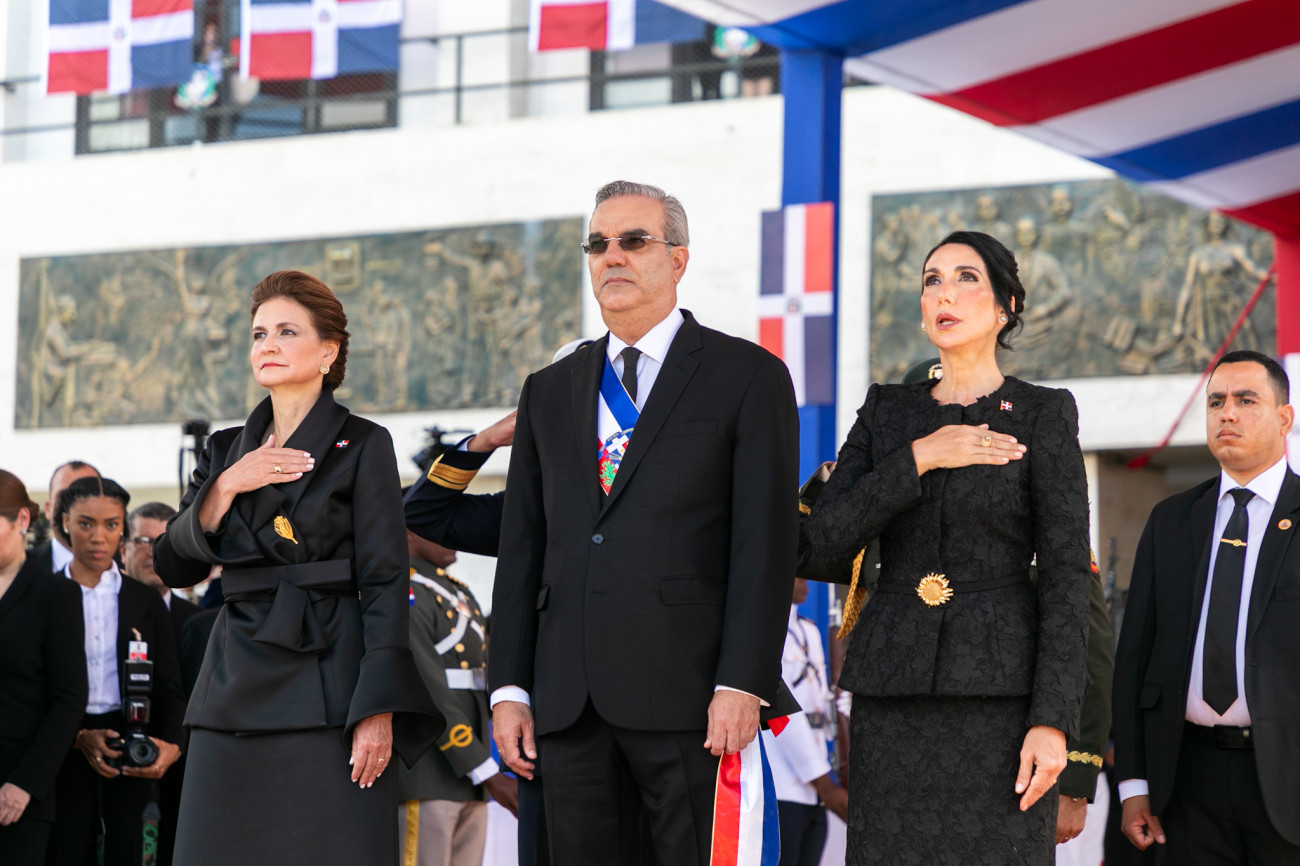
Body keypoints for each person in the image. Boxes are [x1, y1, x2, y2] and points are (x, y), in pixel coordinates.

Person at [490, 180, 798, 865]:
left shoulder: (747, 376)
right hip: (568, 702)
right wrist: (508, 688)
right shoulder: (549, 389)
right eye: (598, 244)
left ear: (678, 259)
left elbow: (765, 545)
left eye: (634, 241)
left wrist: (742, 681)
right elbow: (523, 549)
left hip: (693, 697)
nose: (612, 256)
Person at [806, 231, 1090, 864]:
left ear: (1005, 307)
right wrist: (919, 457)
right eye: (932, 280)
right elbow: (826, 535)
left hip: (1002, 700)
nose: (944, 294)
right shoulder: (887, 412)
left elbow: (1068, 577)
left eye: (966, 278)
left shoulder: (1042, 413)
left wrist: (1053, 722)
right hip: (892, 696)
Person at [152, 270, 443, 866]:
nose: (269, 345)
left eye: (287, 332)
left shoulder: (364, 443)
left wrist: (378, 705)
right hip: (232, 684)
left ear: (328, 351)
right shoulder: (224, 450)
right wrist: (225, 486)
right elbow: (171, 565)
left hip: (330, 683)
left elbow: (386, 581)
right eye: (259, 334)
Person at [1113, 350, 1300, 863]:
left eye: (1246, 400)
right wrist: (1133, 785)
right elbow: (1135, 658)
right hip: (1186, 782)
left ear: (1284, 417)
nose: (1227, 413)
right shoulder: (1171, 520)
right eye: (1216, 402)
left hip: (1287, 780)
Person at [46, 477, 187, 866]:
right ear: (64, 523)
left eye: (110, 524)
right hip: (60, 745)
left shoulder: (144, 601)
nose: (98, 537)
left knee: (127, 851)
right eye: (85, 523)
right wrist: (77, 736)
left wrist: (172, 746)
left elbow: (170, 687)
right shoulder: (44, 595)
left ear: (122, 529)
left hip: (131, 741)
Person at [400, 531, 517, 866]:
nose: (453, 536)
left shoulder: (457, 592)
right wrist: (485, 771)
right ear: (409, 532)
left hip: (473, 778)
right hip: (430, 775)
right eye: (438, 527)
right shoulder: (405, 592)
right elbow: (428, 690)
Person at [0, 470, 87, 865]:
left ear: (22, 519)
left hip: (18, 792)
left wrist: (25, 783)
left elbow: (70, 698)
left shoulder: (55, 594)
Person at [120, 501, 195, 866]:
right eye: (143, 540)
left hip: (187, 774)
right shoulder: (100, 614)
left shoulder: (204, 622)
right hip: (117, 768)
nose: (153, 552)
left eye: (164, 541)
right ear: (124, 548)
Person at [762, 577, 847, 866]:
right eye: (797, 574)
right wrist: (824, 783)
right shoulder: (767, 632)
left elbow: (817, 704)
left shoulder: (808, 629)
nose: (805, 581)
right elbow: (782, 717)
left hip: (816, 790)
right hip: (784, 784)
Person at [30, 461, 99, 576]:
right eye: (63, 497)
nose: (75, 507)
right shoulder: (19, 570)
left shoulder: (127, 567)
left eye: (87, 496)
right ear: (48, 509)